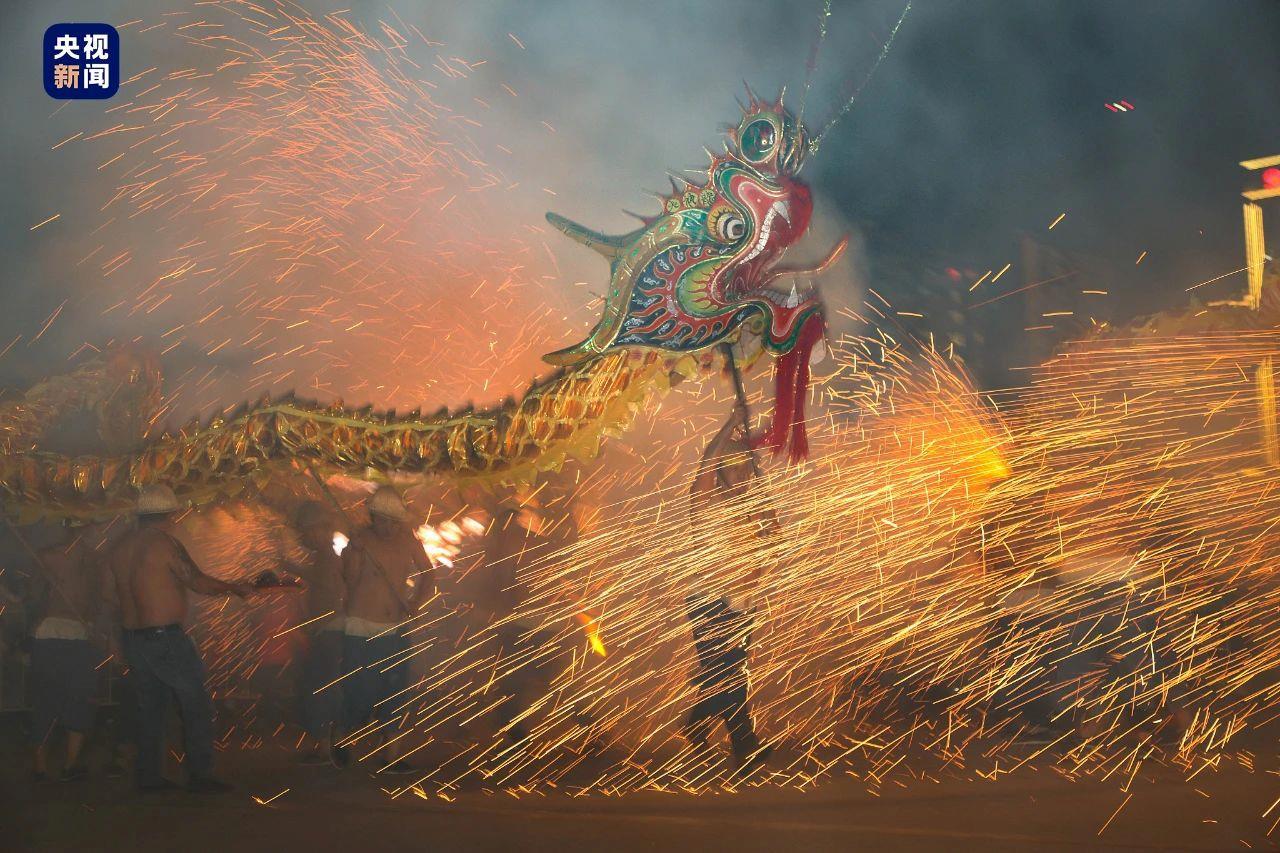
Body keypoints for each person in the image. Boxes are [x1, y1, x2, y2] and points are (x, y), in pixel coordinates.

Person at [107, 484, 253, 794]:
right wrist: (235, 587)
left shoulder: (120, 547)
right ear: (170, 514)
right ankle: (200, 774)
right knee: (196, 705)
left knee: (151, 710)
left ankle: (148, 776)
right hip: (165, 639)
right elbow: (197, 582)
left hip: (133, 638)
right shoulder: (164, 543)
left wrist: (113, 639)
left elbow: (111, 599)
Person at [683, 409, 779, 775]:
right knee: (729, 674)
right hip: (708, 600)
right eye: (733, 467)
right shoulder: (704, 500)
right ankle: (745, 744)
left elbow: (776, 536)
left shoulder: (752, 505)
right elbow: (707, 461)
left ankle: (698, 724)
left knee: (724, 673)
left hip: (742, 602)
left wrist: (761, 480)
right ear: (722, 471)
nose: (739, 474)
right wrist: (729, 425)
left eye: (745, 469)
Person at [331, 485, 433, 774]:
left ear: (398, 521)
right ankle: (341, 737)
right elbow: (349, 580)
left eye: (391, 521)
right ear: (373, 517)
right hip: (360, 629)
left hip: (395, 629)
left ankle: (391, 756)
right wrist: (354, 553)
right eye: (380, 520)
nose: (385, 527)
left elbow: (429, 574)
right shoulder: (360, 540)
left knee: (395, 691)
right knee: (359, 691)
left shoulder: (408, 541)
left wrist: (416, 602)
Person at [27, 523, 103, 782]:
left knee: (63, 699)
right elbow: (34, 596)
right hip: (58, 632)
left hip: (65, 633)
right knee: (66, 699)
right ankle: (56, 767)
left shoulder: (85, 558)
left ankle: (52, 768)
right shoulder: (84, 557)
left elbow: (34, 597)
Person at [287, 501, 347, 765]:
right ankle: (331, 746)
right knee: (325, 687)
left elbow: (327, 586)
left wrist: (293, 569)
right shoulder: (325, 556)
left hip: (329, 633)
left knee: (320, 689)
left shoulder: (326, 557)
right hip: (327, 631)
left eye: (307, 531)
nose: (304, 537)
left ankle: (326, 749)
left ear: (320, 530)